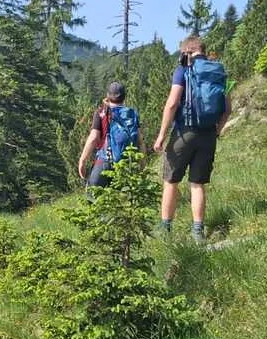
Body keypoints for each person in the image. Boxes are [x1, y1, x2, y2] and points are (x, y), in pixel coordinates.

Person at [152, 36, 231, 242]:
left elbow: (172, 104)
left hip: (184, 133)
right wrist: (216, 131)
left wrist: (161, 135)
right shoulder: (218, 72)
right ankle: (197, 232)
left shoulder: (183, 72)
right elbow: (227, 109)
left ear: (188, 51)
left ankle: (165, 230)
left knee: (171, 181)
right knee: (197, 184)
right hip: (208, 135)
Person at [77, 82, 141, 191]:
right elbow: (140, 140)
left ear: (108, 95)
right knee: (123, 202)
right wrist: (141, 164)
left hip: (104, 162)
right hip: (126, 164)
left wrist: (82, 160)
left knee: (93, 198)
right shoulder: (131, 114)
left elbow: (93, 138)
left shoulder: (102, 112)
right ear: (124, 97)